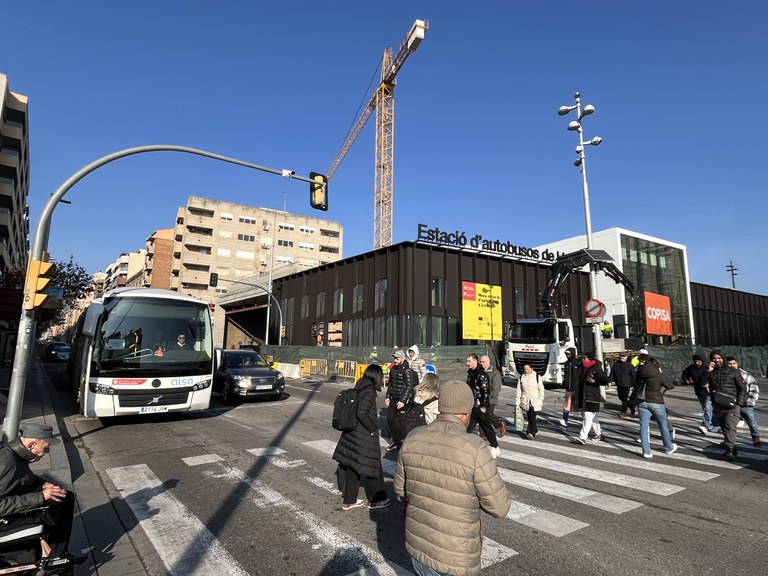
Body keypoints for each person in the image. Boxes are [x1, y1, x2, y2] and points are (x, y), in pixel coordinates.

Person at [394, 380, 511, 576]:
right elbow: (500, 508)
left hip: (418, 550)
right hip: (455, 557)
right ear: (466, 413)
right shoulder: (474, 447)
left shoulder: (414, 436)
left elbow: (399, 488)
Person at [0, 430, 86, 566]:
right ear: (31, 446)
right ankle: (55, 556)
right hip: (3, 522)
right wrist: (41, 496)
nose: (46, 453)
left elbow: (21, 479)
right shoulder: (7, 463)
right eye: (45, 449)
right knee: (57, 505)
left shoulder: (15, 454)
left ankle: (56, 553)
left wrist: (42, 484)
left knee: (63, 497)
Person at [332, 364, 389, 510]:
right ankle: (376, 500)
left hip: (352, 432)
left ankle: (349, 500)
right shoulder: (369, 391)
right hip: (363, 434)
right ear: (376, 376)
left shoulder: (360, 385)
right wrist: (372, 428)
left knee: (353, 464)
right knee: (373, 464)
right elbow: (362, 412)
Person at [703, 350, 746, 462]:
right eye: (714, 358)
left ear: (723, 358)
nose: (717, 360)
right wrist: (708, 371)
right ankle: (732, 445)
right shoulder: (711, 372)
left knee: (729, 425)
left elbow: (742, 388)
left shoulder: (733, 371)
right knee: (723, 426)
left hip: (732, 404)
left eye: (719, 358)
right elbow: (702, 384)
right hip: (718, 404)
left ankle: (730, 449)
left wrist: (739, 403)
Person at [633, 354, 678, 458]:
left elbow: (634, 384)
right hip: (656, 401)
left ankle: (646, 451)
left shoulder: (639, 372)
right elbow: (670, 386)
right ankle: (668, 447)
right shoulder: (657, 373)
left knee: (643, 426)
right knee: (662, 425)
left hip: (642, 401)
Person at [465, 354, 500, 458]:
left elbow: (485, 391)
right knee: (468, 427)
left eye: (469, 361)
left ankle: (495, 447)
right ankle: (464, 445)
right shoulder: (471, 373)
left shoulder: (481, 374)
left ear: (475, 361)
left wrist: (484, 406)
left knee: (486, 426)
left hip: (480, 406)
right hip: (473, 405)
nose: (467, 363)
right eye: (467, 361)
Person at [385, 349, 417, 451]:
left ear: (402, 359)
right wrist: (387, 397)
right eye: (394, 358)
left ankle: (401, 441)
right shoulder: (393, 369)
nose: (395, 360)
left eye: (397, 358)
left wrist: (403, 401)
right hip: (393, 399)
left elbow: (409, 387)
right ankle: (395, 439)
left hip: (402, 400)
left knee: (401, 422)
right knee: (390, 419)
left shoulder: (407, 371)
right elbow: (390, 384)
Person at [726, 356, 760, 447]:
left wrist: (750, 401)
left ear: (737, 364)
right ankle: (729, 442)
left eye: (734, 363)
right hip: (730, 404)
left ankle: (756, 439)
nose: (732, 365)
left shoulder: (745, 375)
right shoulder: (724, 375)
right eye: (729, 364)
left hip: (745, 404)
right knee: (728, 424)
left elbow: (754, 388)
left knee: (751, 422)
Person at [575, 351, 607, 444]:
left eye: (584, 358)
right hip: (582, 395)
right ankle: (599, 434)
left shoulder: (596, 368)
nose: (583, 360)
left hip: (592, 396)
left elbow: (605, 380)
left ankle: (583, 437)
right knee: (592, 417)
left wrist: (595, 380)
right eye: (582, 358)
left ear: (590, 359)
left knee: (587, 417)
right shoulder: (581, 367)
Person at [683, 354, 718, 435]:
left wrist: (711, 384)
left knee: (707, 408)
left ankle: (705, 426)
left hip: (709, 392)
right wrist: (686, 380)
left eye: (698, 361)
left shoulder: (708, 367)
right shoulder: (691, 368)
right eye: (695, 362)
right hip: (699, 392)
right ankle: (716, 424)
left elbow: (715, 376)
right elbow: (685, 373)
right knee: (708, 409)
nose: (697, 363)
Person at [515, 363, 545, 440]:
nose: (526, 370)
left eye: (527, 369)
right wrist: (517, 402)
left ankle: (530, 432)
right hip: (525, 400)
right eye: (525, 369)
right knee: (530, 417)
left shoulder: (537, 377)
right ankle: (535, 429)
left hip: (535, 400)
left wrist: (540, 399)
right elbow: (519, 390)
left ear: (532, 369)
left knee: (532, 416)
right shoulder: (522, 377)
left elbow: (541, 389)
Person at [480, 354, 506, 437]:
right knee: (481, 415)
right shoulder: (479, 371)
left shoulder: (495, 372)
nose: (482, 363)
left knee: (488, 414)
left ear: (488, 362)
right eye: (480, 362)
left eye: (483, 362)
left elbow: (496, 388)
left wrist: (488, 397)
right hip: (480, 397)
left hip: (490, 398)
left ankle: (500, 425)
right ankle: (483, 434)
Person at [609, 351, 636, 417]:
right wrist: (609, 381)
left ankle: (623, 412)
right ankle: (631, 405)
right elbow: (612, 373)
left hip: (626, 384)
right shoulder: (616, 364)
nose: (622, 357)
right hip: (619, 383)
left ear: (626, 357)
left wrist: (633, 385)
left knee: (624, 398)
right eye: (621, 356)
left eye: (624, 356)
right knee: (620, 397)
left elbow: (633, 375)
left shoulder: (629, 365)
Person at [560, 347, 581, 427]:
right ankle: (565, 419)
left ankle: (585, 420)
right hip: (568, 388)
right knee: (566, 405)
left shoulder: (578, 363)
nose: (567, 355)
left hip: (576, 388)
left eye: (569, 354)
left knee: (579, 405)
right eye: (566, 354)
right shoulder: (566, 363)